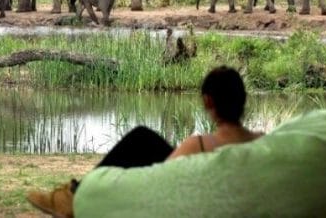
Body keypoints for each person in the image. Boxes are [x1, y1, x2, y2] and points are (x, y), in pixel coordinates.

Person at [26, 66, 263, 217]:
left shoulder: (199, 145)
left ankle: (72, 197)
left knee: (141, 139)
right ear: (243, 101)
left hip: (204, 204)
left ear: (208, 102)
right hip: (235, 199)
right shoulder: (265, 142)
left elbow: (156, 182)